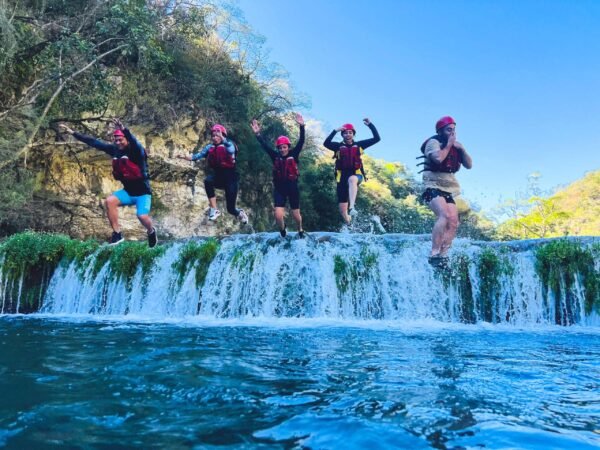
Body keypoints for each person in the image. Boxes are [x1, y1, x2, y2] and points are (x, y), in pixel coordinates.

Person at [59, 120, 157, 247]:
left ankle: (151, 231)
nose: (118, 143)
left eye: (120, 140)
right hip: (128, 192)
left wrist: (125, 130)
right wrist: (73, 133)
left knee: (142, 216)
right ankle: (117, 234)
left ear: (126, 139)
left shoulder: (136, 151)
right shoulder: (115, 150)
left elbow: (135, 142)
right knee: (109, 201)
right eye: (116, 140)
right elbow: (94, 143)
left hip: (143, 194)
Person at [418, 116, 473, 265]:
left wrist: (462, 149)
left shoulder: (456, 146)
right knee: (444, 214)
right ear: (440, 131)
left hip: (449, 188)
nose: (452, 132)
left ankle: (443, 254)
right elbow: (438, 159)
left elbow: (469, 165)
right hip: (432, 185)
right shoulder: (433, 142)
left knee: (454, 221)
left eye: (454, 129)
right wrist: (448, 145)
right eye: (449, 129)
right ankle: (434, 252)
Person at [177, 124, 248, 224]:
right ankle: (214, 209)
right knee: (208, 181)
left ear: (223, 135)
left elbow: (231, 150)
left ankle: (240, 213)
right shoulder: (210, 147)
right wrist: (185, 157)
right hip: (218, 176)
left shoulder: (229, 144)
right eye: (213, 136)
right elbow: (197, 156)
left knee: (230, 209)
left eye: (217, 135)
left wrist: (223, 139)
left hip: (231, 178)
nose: (214, 137)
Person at [251, 113, 306, 238]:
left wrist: (302, 126)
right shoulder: (275, 156)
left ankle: (300, 229)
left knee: (296, 215)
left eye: (284, 147)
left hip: (292, 188)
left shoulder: (294, 154)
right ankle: (283, 230)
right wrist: (257, 134)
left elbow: (301, 141)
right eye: (280, 147)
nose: (282, 149)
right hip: (279, 189)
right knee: (278, 215)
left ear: (288, 147)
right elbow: (265, 146)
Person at [323, 118, 380, 224]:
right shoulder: (337, 146)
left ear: (353, 134)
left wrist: (370, 125)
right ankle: (349, 223)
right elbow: (326, 143)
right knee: (342, 210)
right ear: (342, 135)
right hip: (341, 177)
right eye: (345, 133)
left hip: (356, 174)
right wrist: (335, 130)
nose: (348, 134)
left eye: (350, 132)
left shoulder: (360, 145)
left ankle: (352, 207)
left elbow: (377, 138)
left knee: (352, 179)